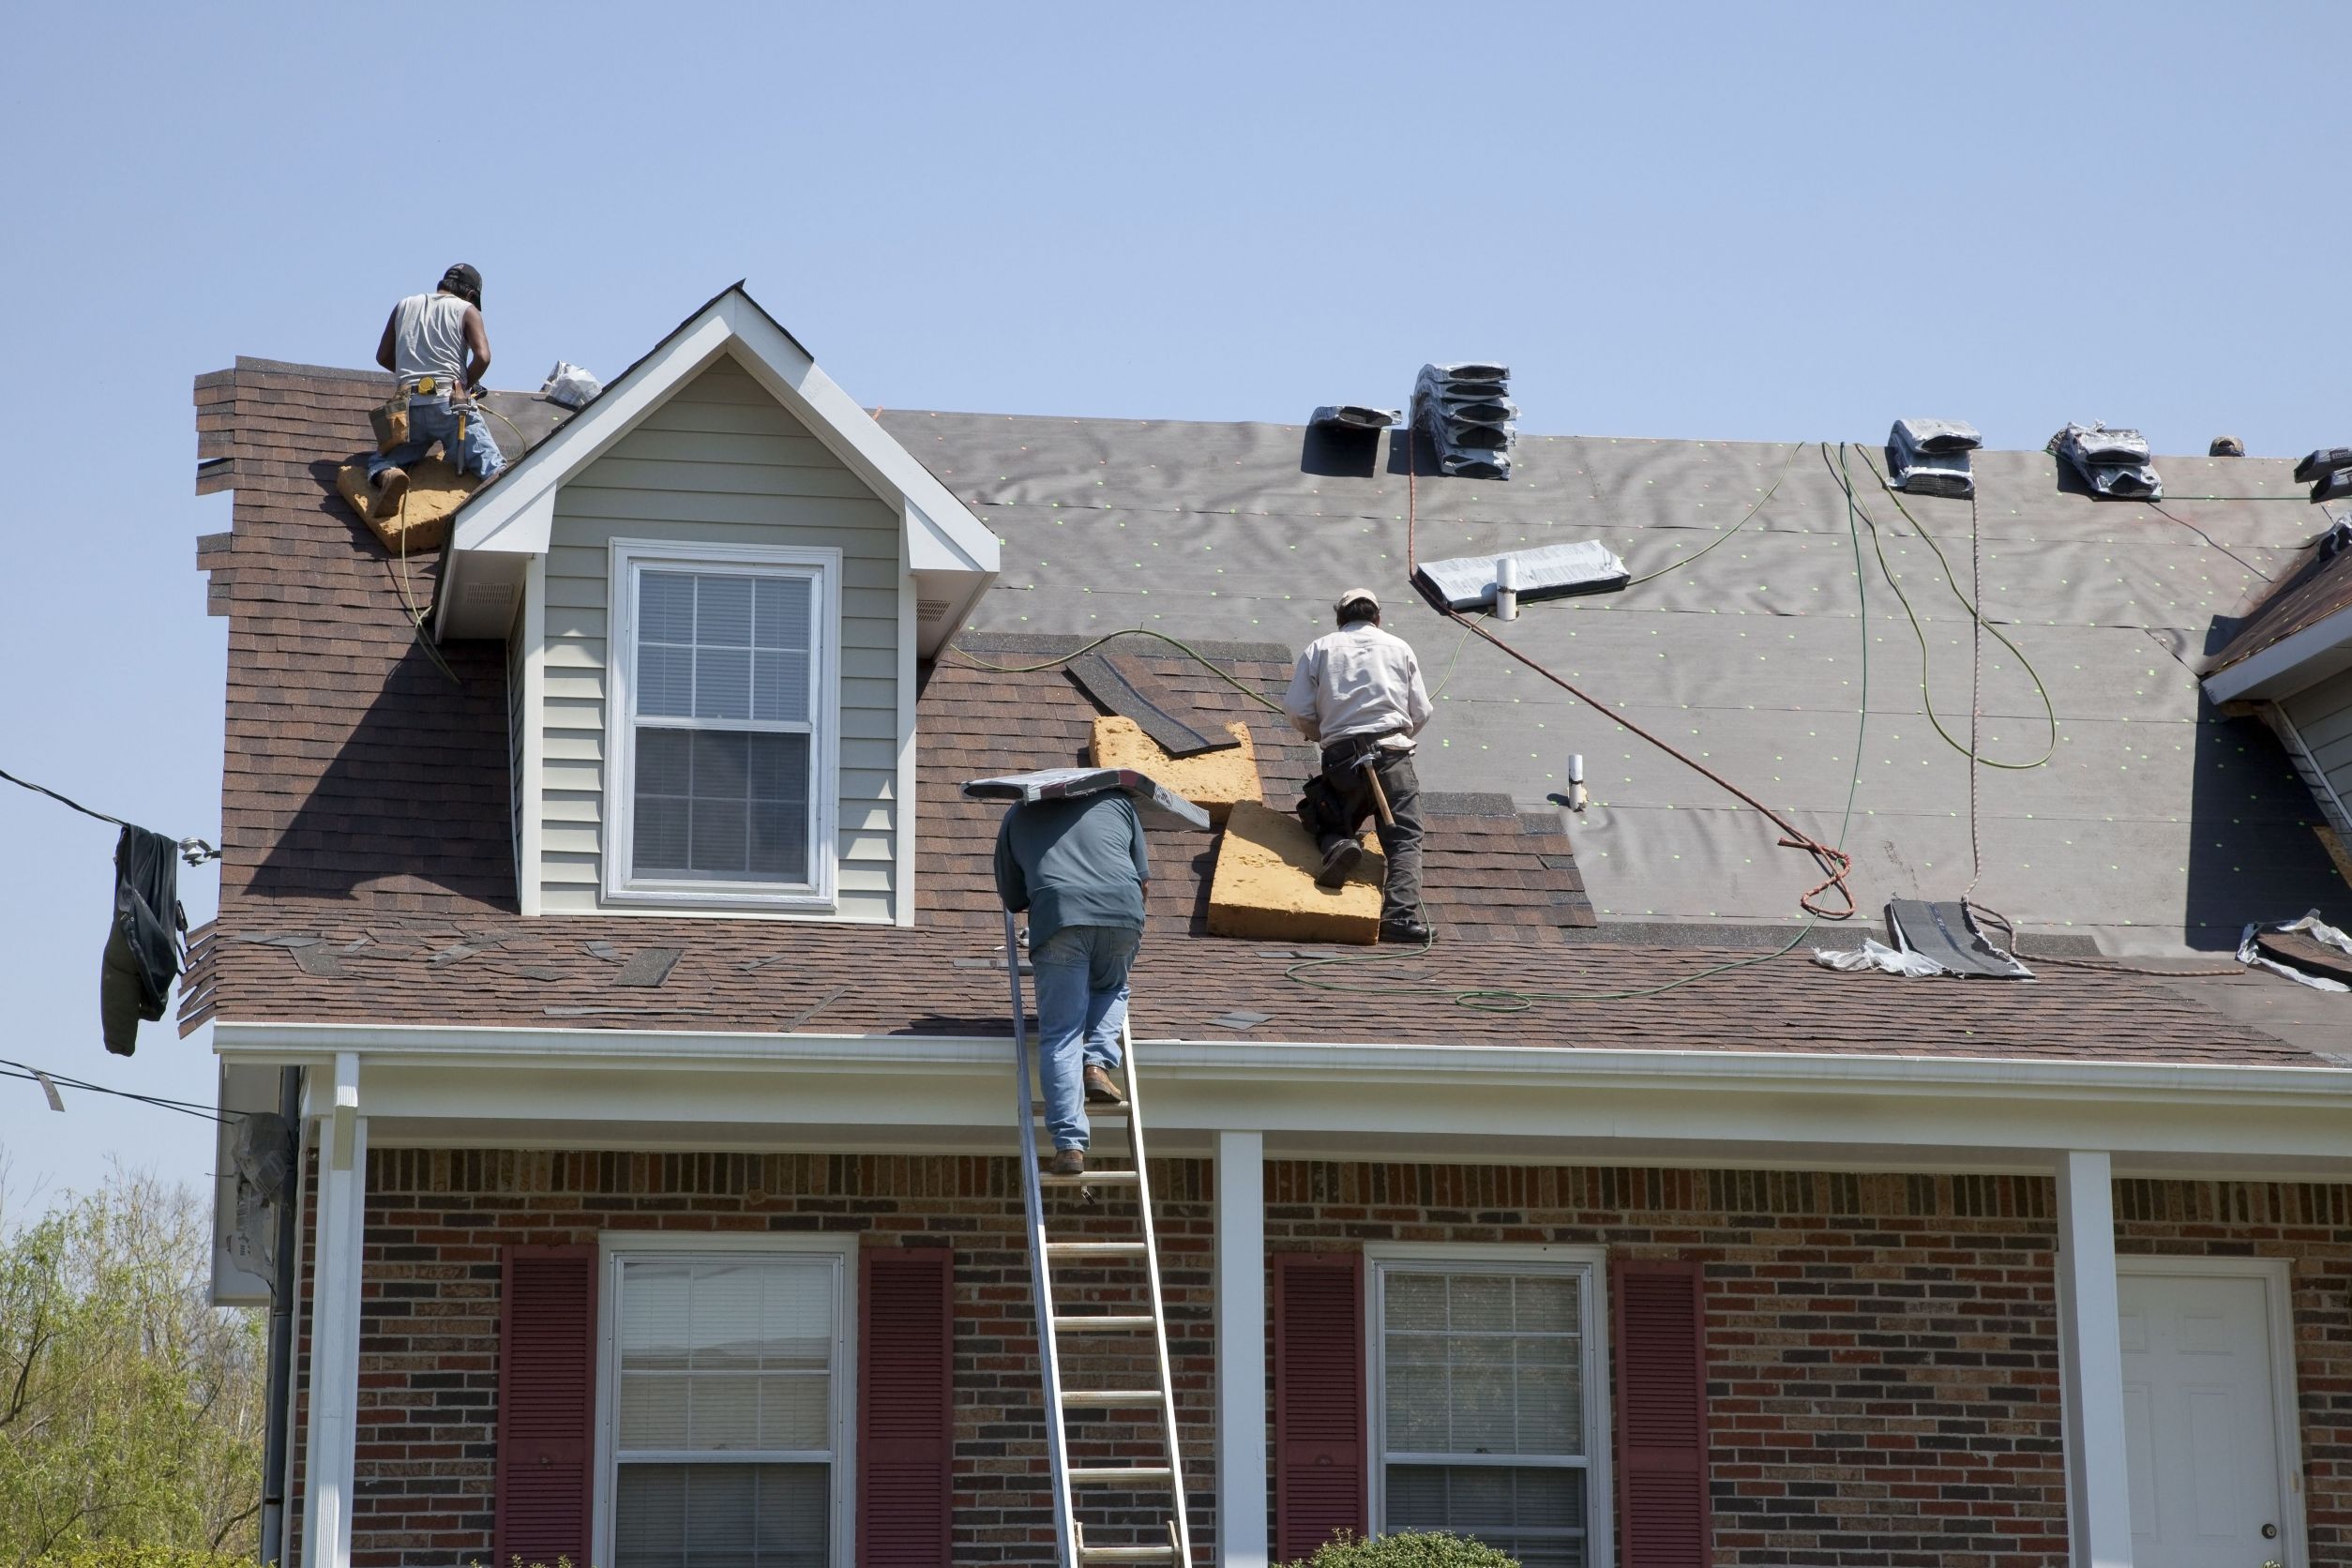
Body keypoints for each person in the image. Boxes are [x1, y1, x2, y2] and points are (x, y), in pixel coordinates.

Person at [993, 789, 1150, 1177]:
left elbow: (1013, 899)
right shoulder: (1117, 802)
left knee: (1062, 1033)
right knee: (1112, 987)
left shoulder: (1018, 812)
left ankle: (1070, 1146)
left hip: (1059, 913)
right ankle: (1096, 1065)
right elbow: (1144, 882)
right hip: (1122, 909)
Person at [1284, 587, 1435, 943]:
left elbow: (1297, 709)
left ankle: (1337, 845)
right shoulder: (1399, 647)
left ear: (1340, 620)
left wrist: (1324, 734)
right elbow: (1422, 711)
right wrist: (1397, 733)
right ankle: (1399, 917)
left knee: (1329, 819)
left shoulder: (1320, 648)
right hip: (1391, 754)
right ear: (1377, 618)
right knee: (1404, 837)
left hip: (1342, 758)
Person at [368, 264, 505, 520]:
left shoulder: (404, 305)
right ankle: (492, 519)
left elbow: (383, 356)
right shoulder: (467, 309)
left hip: (407, 407)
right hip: (449, 402)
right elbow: (483, 357)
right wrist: (464, 385)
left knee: (381, 462)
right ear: (471, 294)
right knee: (494, 469)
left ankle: (390, 475)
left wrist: (410, 375)